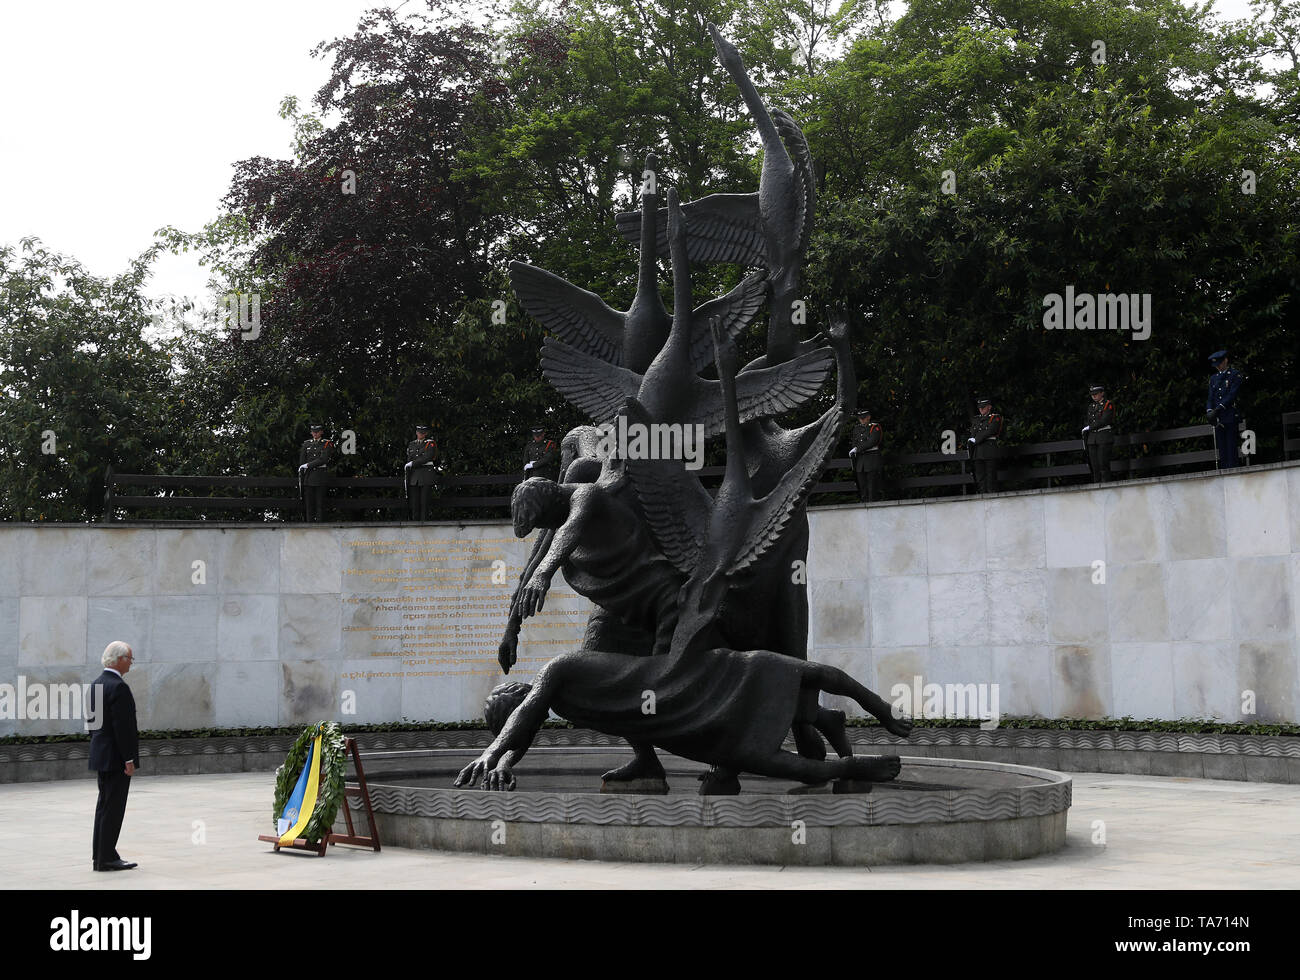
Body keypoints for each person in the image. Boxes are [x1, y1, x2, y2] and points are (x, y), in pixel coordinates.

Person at [89, 641, 139, 872]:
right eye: (129, 658)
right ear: (119, 660)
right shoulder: (119, 687)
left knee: (104, 807)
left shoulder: (96, 684)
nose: (131, 663)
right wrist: (128, 759)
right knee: (113, 808)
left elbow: (92, 724)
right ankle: (106, 858)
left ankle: (101, 855)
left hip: (101, 754)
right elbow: (123, 728)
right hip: (116, 758)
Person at [1206, 350, 1245, 469]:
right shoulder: (1214, 378)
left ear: (1226, 360)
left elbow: (1232, 395)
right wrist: (1209, 410)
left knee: (1231, 447)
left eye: (1219, 363)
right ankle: (1224, 472)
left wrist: (1218, 408)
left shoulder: (1234, 375)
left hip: (1229, 415)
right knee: (1222, 449)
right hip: (1218, 418)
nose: (1218, 366)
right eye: (1216, 365)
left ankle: (1233, 471)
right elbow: (1211, 396)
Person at [967, 396, 1005, 493]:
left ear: (989, 407)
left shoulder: (995, 418)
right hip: (978, 452)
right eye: (980, 407)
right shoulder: (976, 419)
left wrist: (976, 439)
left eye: (983, 407)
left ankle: (991, 495)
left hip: (989, 450)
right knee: (980, 477)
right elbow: (973, 432)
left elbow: (990, 431)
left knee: (990, 476)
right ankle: (982, 495)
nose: (981, 409)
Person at [298, 422, 334, 522]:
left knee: (320, 504)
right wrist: (303, 471)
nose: (315, 434)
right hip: (308, 477)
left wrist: (308, 465)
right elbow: (302, 461)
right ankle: (309, 524)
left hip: (320, 476)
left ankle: (320, 525)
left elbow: (323, 459)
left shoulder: (326, 443)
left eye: (317, 432)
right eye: (313, 432)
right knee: (309, 504)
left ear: (321, 432)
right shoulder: (306, 444)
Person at [404, 423, 440, 521]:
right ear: (416, 433)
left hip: (426, 475)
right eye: (419, 432)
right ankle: (415, 524)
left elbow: (427, 457)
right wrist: (412, 463)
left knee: (424, 502)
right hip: (414, 476)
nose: (421, 434)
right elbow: (410, 458)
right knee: (415, 502)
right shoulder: (412, 444)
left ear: (426, 433)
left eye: (423, 433)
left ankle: (425, 524)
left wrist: (413, 463)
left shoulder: (430, 443)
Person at [1082, 384, 1116, 482]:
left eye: (1096, 394)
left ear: (1102, 393)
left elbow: (1105, 420)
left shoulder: (1107, 404)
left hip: (1103, 435)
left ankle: (1106, 484)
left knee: (1103, 464)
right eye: (1092, 394)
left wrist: (1090, 427)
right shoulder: (1091, 406)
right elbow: (1088, 420)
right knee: (1094, 465)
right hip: (1093, 438)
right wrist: (1088, 427)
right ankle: (1096, 484)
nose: (1094, 396)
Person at [848, 408, 883, 502]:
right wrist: (855, 448)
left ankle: (872, 503)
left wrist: (857, 449)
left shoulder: (874, 427)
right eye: (860, 418)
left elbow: (872, 442)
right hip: (860, 461)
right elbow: (854, 443)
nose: (862, 420)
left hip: (872, 459)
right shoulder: (857, 429)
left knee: (872, 486)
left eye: (863, 417)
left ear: (869, 417)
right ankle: (864, 503)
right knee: (862, 486)